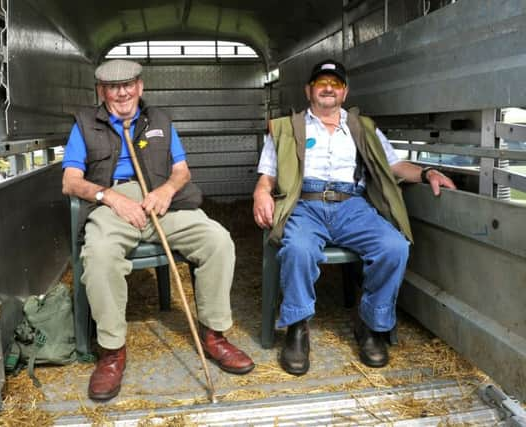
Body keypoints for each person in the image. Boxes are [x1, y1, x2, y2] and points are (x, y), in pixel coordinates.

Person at [62, 59, 255, 401]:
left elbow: (181, 171)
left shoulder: (160, 120)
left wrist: (166, 191)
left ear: (140, 87)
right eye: (113, 86)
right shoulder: (85, 124)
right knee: (99, 256)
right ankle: (112, 352)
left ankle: (215, 335)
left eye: (129, 84)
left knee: (218, 240)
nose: (122, 92)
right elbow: (70, 181)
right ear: (101, 91)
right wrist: (111, 198)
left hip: (161, 202)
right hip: (113, 205)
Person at [252, 59, 456, 375]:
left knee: (394, 247)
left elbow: (394, 166)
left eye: (335, 83)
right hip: (304, 204)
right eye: (321, 82)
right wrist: (261, 192)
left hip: (352, 205)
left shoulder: (363, 128)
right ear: (309, 90)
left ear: (344, 92)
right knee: (297, 249)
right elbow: (267, 176)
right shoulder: (286, 128)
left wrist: (426, 172)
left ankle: (371, 324)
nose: (328, 88)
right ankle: (297, 328)